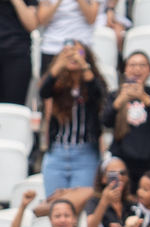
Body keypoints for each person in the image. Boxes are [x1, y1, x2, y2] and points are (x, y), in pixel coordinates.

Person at [39, 42, 107, 194]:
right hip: (57, 152)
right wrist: (58, 65)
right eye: (68, 53)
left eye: (78, 53)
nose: (73, 57)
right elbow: (43, 92)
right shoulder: (57, 85)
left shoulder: (93, 82)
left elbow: (99, 96)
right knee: (55, 205)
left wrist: (84, 66)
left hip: (85, 153)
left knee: (82, 206)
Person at [104, 52, 150, 189]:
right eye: (132, 65)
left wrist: (144, 98)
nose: (137, 69)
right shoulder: (114, 95)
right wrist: (120, 100)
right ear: (125, 70)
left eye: (142, 65)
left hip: (148, 160)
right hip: (121, 159)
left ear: (149, 70)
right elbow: (105, 121)